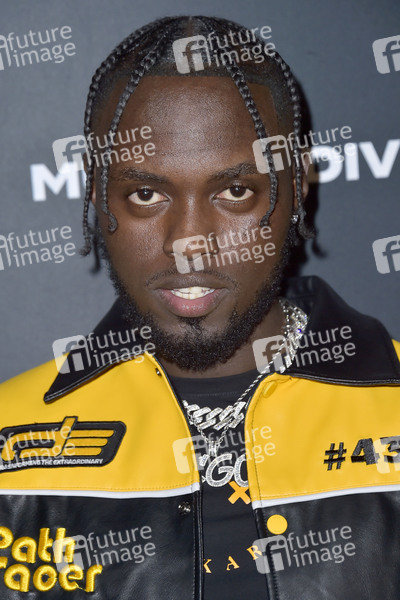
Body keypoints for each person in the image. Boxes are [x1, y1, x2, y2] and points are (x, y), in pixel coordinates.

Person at [0, 15, 399, 600]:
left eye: (235, 192)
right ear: (94, 193)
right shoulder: (9, 438)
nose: (189, 242)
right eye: (146, 194)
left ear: (297, 187)